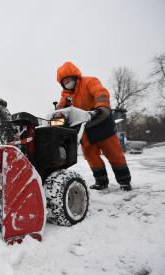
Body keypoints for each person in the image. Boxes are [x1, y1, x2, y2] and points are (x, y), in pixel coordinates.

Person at [56, 61, 132, 191]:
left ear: (75, 77)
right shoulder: (66, 94)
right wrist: (58, 113)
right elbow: (61, 108)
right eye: (64, 81)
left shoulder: (89, 81)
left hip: (101, 121)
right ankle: (101, 182)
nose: (67, 82)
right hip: (84, 128)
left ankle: (124, 181)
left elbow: (100, 92)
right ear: (62, 83)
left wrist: (101, 106)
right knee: (91, 156)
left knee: (114, 154)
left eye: (69, 79)